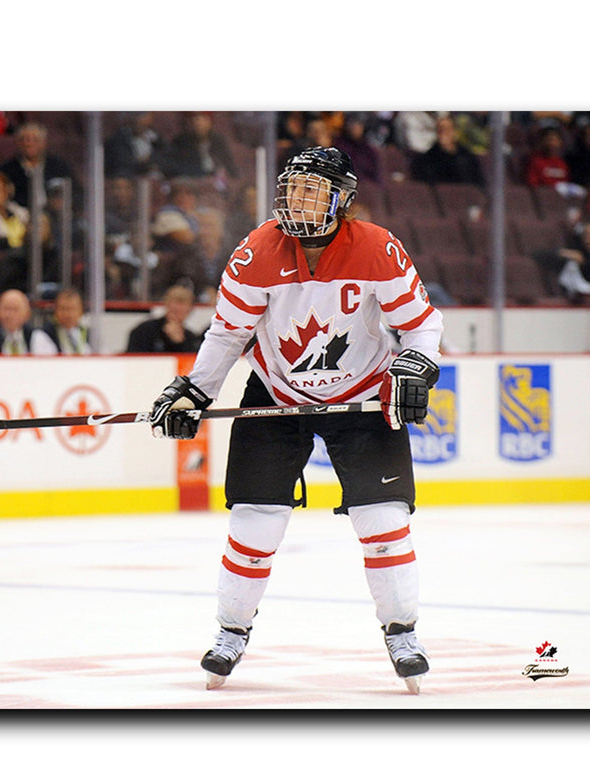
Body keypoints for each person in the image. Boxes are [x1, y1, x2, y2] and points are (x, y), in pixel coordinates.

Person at [148, 146, 443, 693]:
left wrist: (416, 366)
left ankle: (402, 633)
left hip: (362, 395)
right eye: (292, 187)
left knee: (382, 522)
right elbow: (228, 334)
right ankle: (231, 632)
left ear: (342, 201)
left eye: (312, 189)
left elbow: (423, 326)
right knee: (255, 521)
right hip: (277, 393)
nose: (297, 198)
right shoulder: (257, 250)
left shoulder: (378, 248)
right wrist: (196, 390)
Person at [0, 122, 76, 209]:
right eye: (23, 139)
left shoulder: (59, 166)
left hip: (55, 215)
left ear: (44, 143)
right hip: (21, 215)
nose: (28, 144)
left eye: (35, 140)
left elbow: (76, 192)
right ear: (18, 143)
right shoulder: (7, 170)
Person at [410, 115, 485, 187]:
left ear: (455, 132)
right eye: (440, 129)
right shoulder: (426, 160)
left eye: (447, 129)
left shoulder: (467, 159)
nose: (443, 133)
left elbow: (476, 184)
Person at [0, 289, 57, 355]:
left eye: (15, 309)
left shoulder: (38, 337)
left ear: (27, 314)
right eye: (6, 309)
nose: (9, 314)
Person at [126, 285, 202, 353]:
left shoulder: (191, 339)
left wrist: (179, 343)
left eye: (183, 306)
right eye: (175, 310)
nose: (179, 308)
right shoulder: (144, 331)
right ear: (167, 304)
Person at [163, 112, 237, 180]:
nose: (198, 124)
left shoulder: (218, 141)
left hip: (216, 182)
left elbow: (230, 167)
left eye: (203, 120)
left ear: (210, 122)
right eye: (194, 121)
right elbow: (176, 169)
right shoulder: (181, 142)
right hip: (192, 182)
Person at [42, 288, 91, 354]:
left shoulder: (90, 334)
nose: (68, 314)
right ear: (55, 310)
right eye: (63, 308)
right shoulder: (44, 334)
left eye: (73, 309)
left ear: (81, 310)